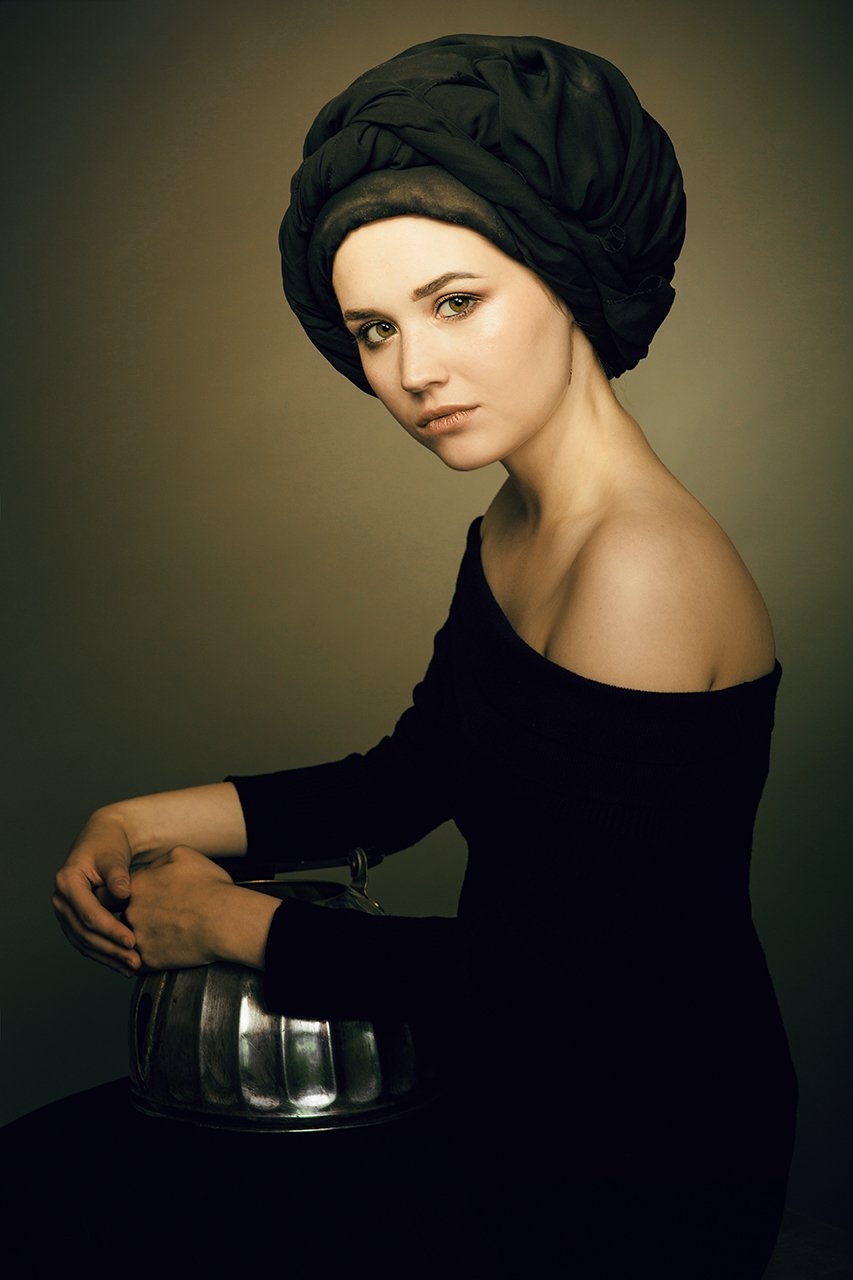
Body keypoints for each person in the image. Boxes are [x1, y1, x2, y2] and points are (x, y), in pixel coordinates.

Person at [52, 35, 796, 1274]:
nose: (413, 372)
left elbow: (566, 992)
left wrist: (230, 922)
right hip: (508, 1084)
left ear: (562, 274)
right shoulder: (514, 517)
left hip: (641, 1147)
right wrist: (138, 818)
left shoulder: (643, 565)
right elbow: (408, 780)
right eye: (374, 329)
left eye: (455, 302)